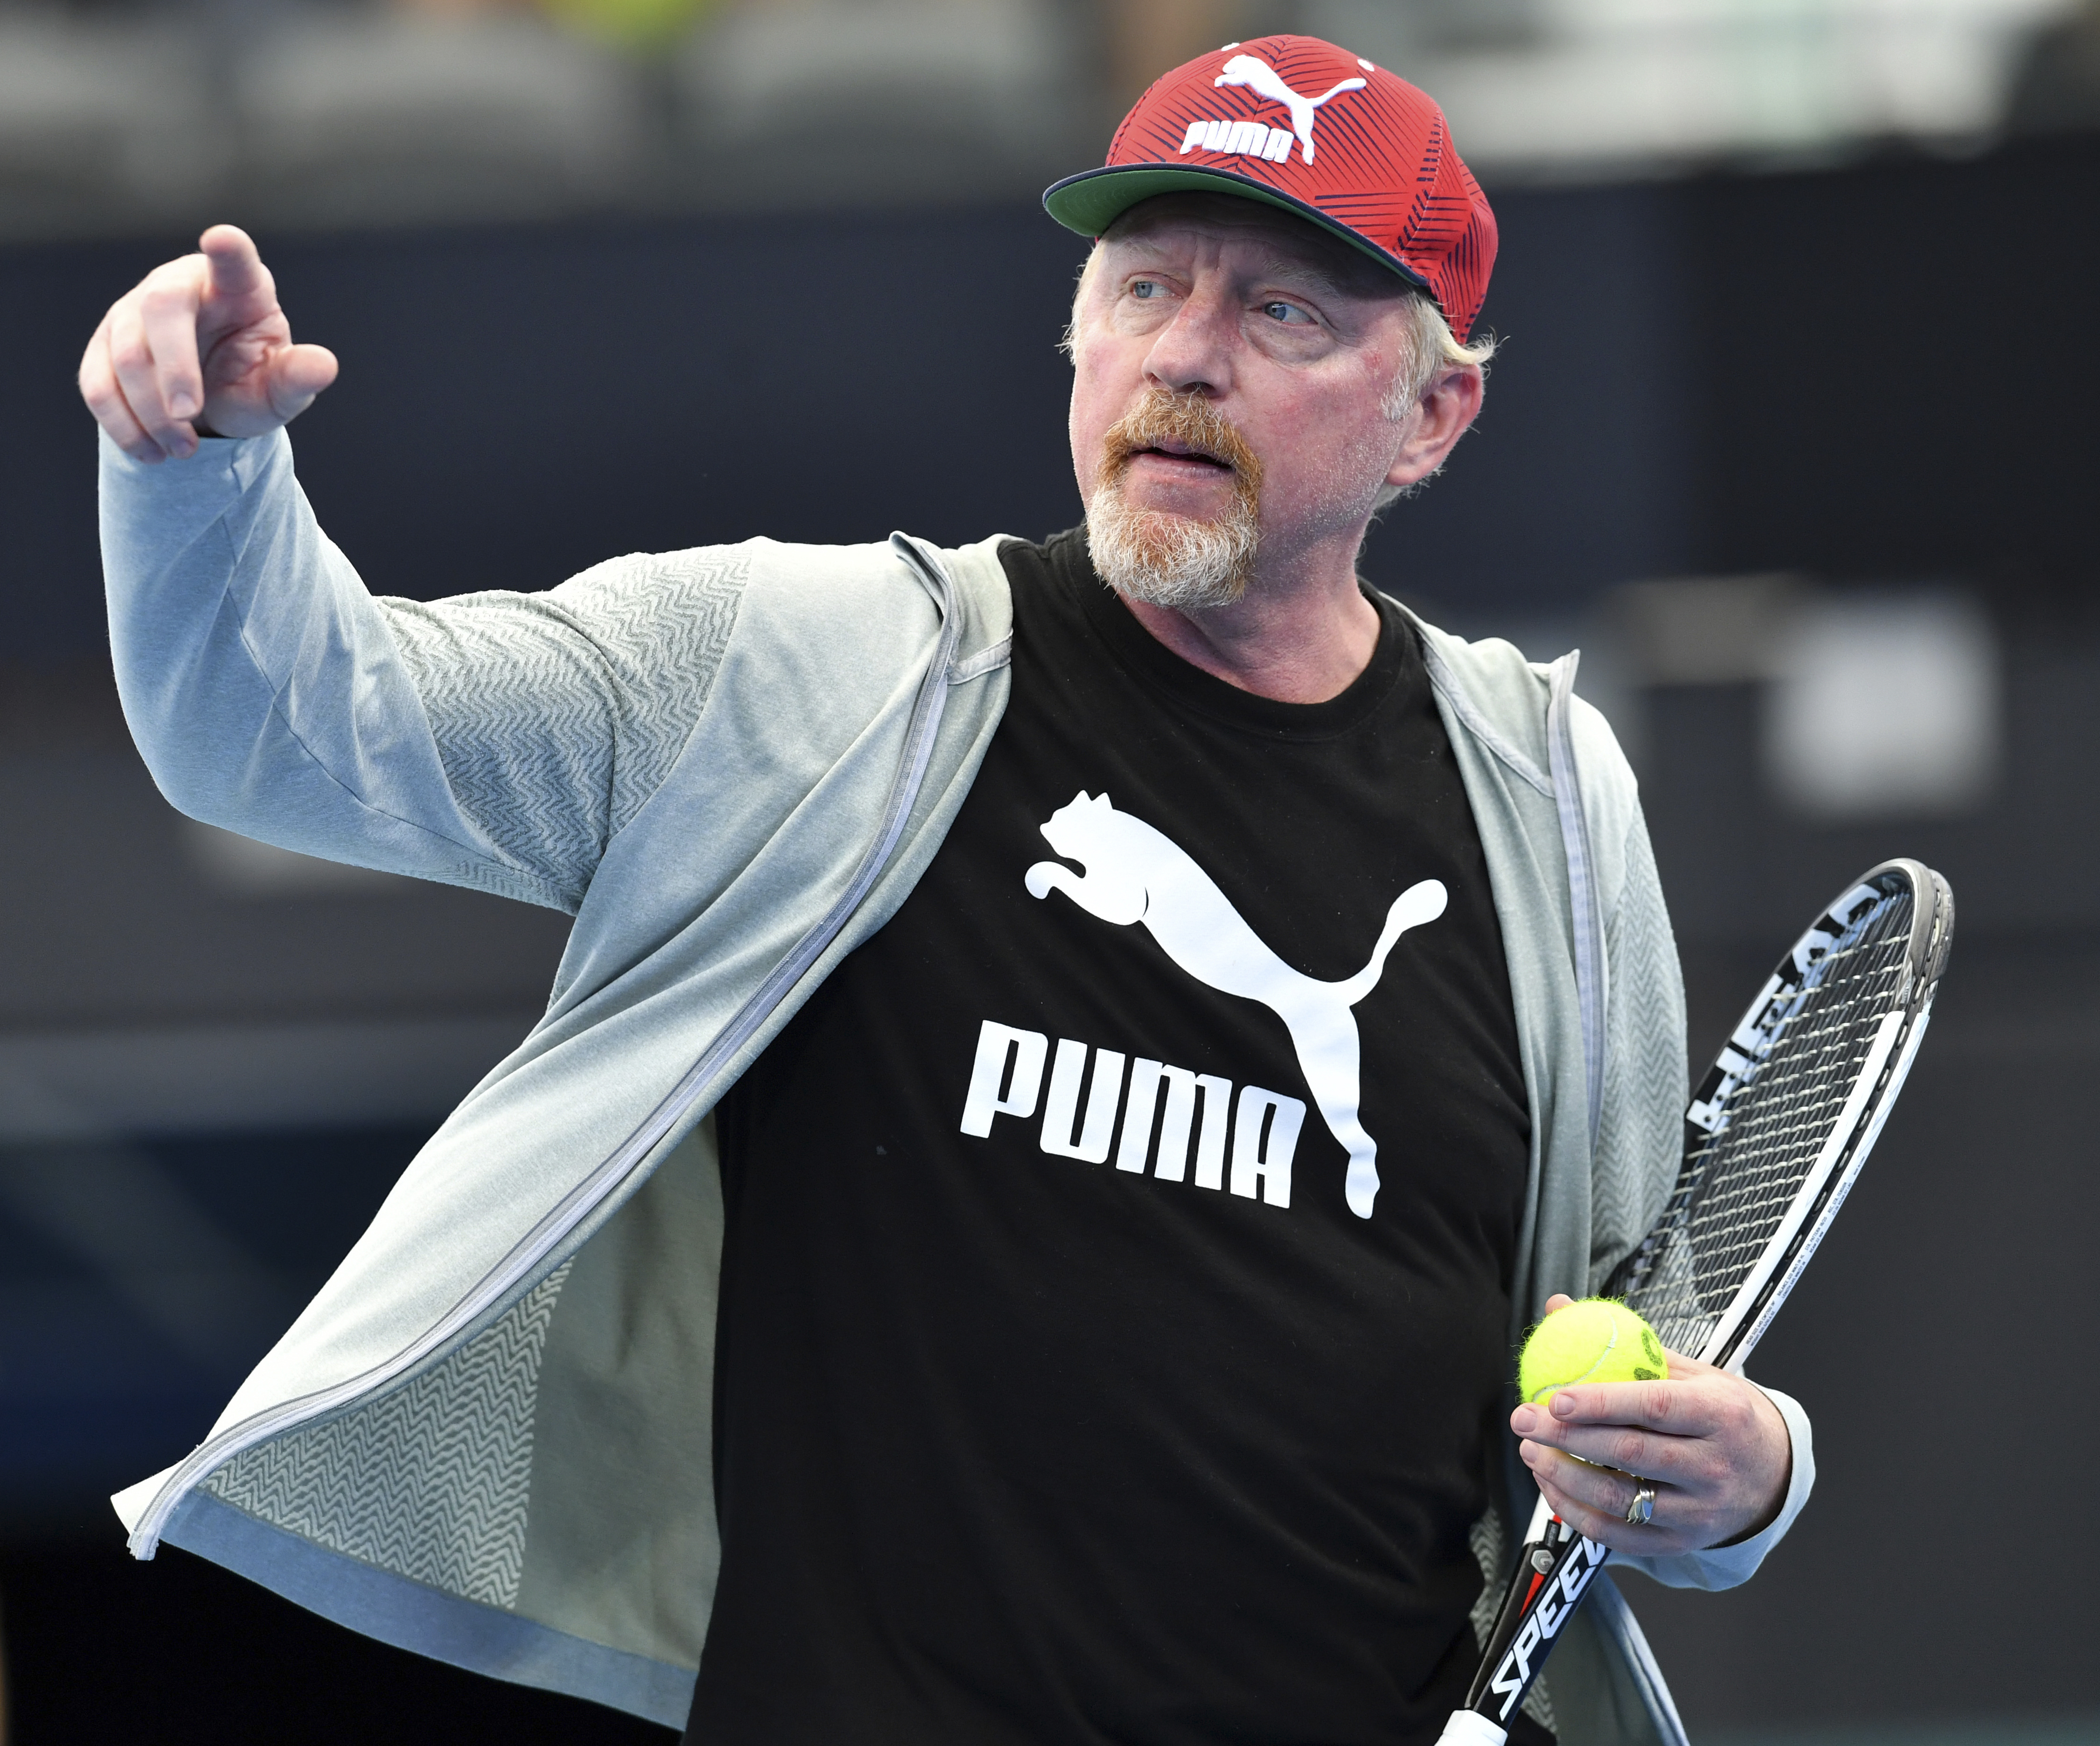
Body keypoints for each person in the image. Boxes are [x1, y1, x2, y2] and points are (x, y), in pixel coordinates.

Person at [81, 34, 1809, 1746]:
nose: (1184, 356)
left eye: (1283, 311)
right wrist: (199, 466)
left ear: (1431, 415)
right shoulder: (802, 676)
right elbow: (290, 734)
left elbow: (1630, 1342)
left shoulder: (1545, 797)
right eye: (1145, 286)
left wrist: (1750, 1480)